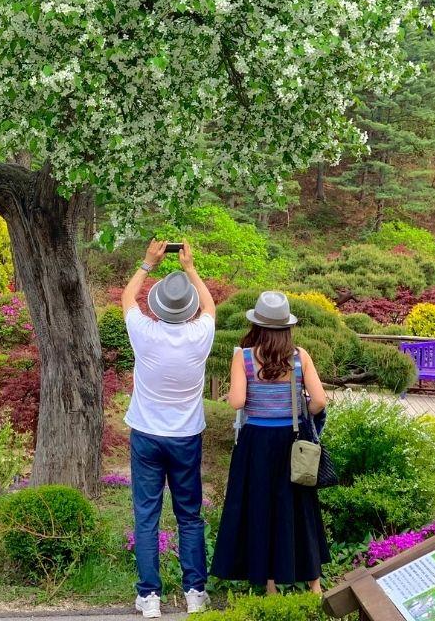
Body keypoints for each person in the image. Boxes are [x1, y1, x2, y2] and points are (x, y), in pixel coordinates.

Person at [211, 291, 330, 594]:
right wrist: (299, 411)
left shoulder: (245, 356)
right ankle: (314, 584)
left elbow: (237, 401)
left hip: (257, 445)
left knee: (260, 509)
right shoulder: (300, 356)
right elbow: (319, 401)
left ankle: (270, 585)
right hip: (293, 442)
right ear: (287, 326)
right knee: (299, 509)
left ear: (257, 325)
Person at [122, 240, 217, 617]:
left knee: (146, 516)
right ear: (189, 308)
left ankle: (149, 598)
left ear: (158, 306)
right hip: (186, 437)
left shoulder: (144, 333)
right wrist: (190, 268)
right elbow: (210, 307)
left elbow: (128, 297)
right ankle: (195, 592)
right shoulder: (200, 336)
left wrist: (147, 263)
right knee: (189, 515)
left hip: (146, 434)